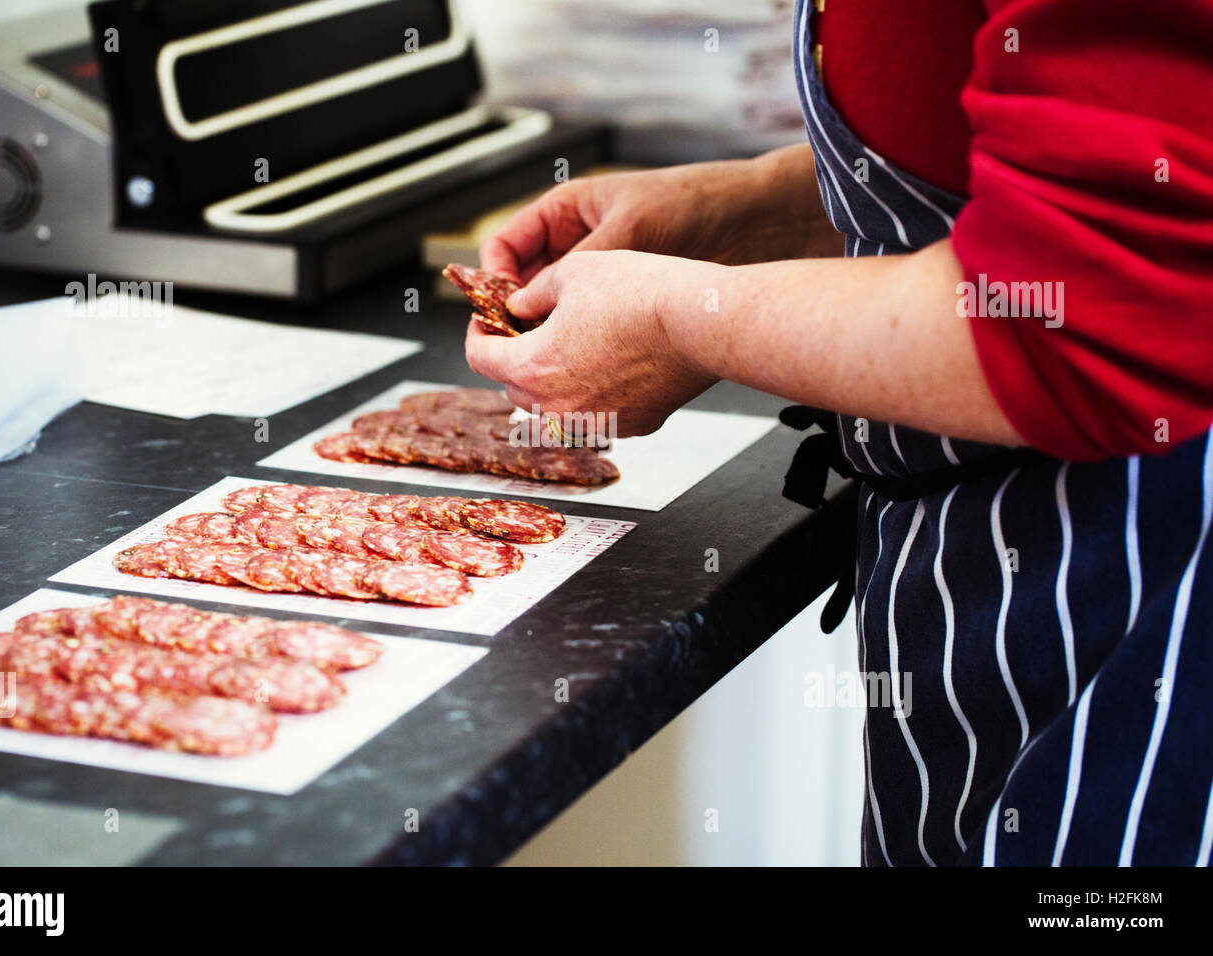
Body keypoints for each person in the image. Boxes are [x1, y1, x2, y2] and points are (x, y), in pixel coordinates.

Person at [465, 0, 1213, 866]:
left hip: (1141, 581)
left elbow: (1078, 313)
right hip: (989, 570)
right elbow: (1008, 144)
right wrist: (749, 207)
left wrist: (681, 318)